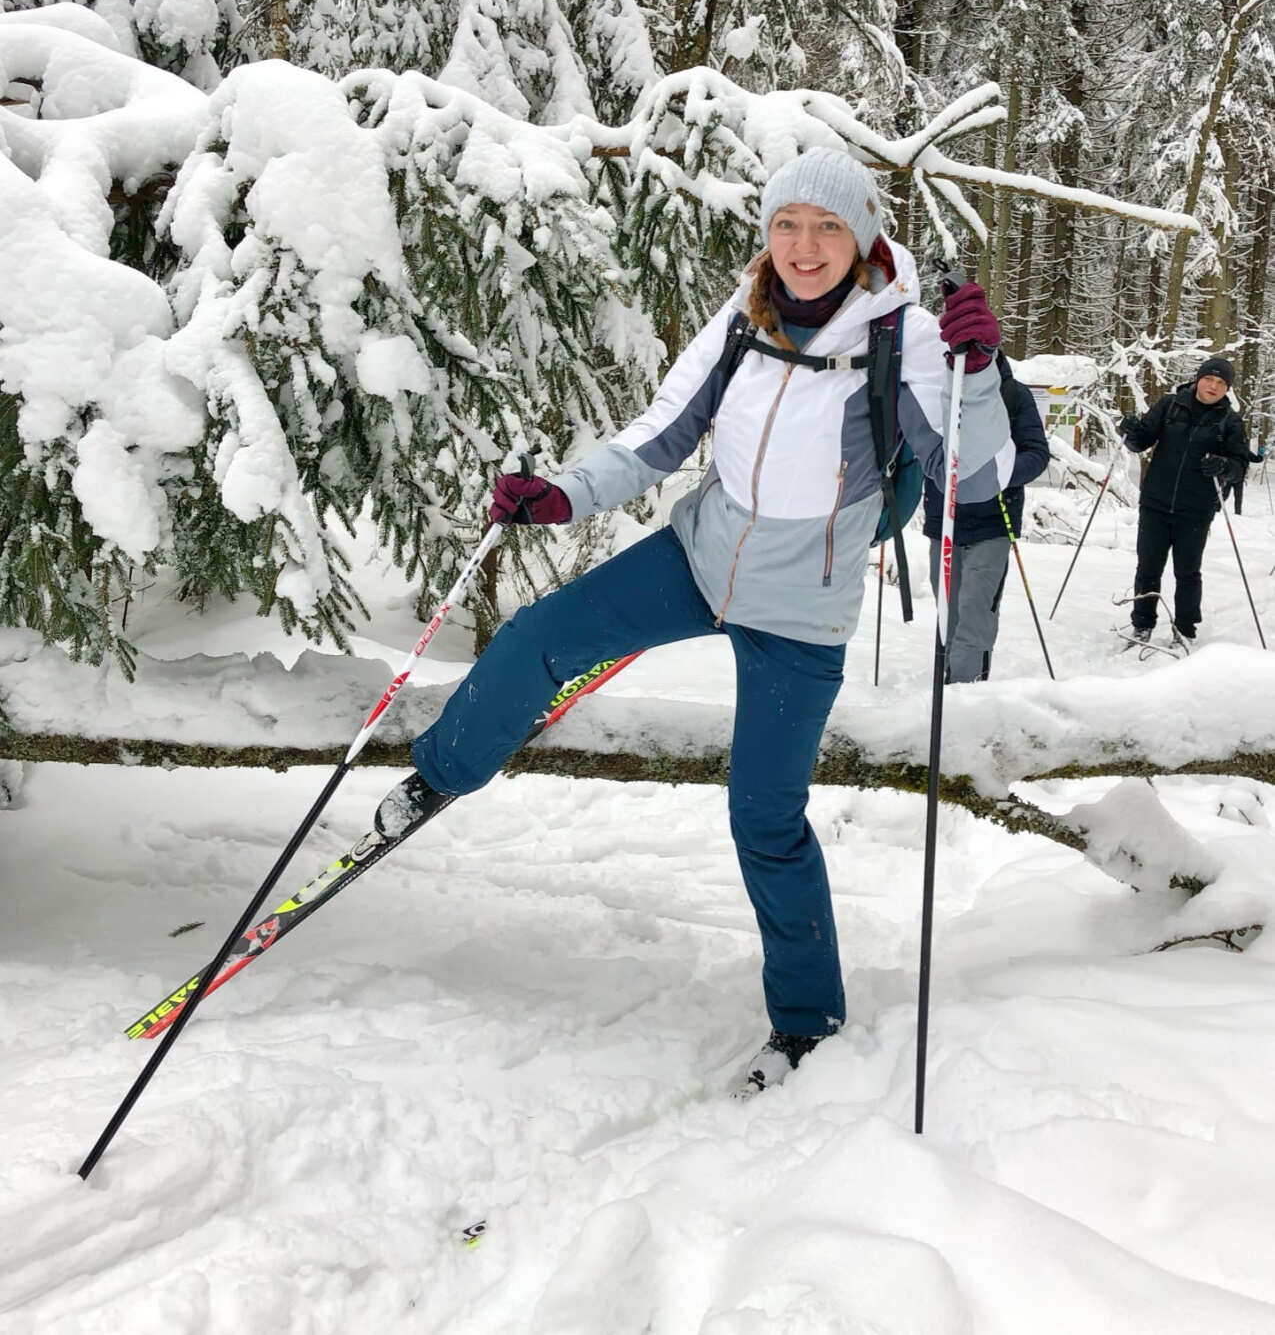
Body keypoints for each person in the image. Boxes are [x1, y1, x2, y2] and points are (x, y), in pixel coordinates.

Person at [375, 148, 1013, 1095]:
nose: (803, 246)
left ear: (863, 236)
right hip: (697, 559)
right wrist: (562, 494)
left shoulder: (909, 337)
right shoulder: (743, 317)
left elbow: (976, 476)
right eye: (786, 224)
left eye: (827, 227)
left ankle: (805, 1020)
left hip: (801, 610)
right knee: (534, 638)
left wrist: (977, 371)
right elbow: (658, 432)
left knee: (764, 814)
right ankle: (442, 775)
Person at [922, 352, 1049, 681]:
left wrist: (997, 477)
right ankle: (946, 685)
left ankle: (964, 690)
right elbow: (915, 446)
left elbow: (1036, 454)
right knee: (946, 612)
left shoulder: (1012, 394)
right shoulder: (936, 389)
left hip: (993, 520)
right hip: (943, 521)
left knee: (976, 609)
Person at [1120, 356, 1250, 642]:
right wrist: (1129, 430)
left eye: (1220, 383)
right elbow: (1140, 441)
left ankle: (1185, 629)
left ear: (1226, 388)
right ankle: (1142, 624)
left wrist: (1224, 466)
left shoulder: (1229, 421)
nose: (1213, 386)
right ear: (1198, 379)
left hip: (1196, 508)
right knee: (1148, 567)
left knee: (1187, 572)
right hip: (1156, 502)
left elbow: (1240, 467)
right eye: (1209, 379)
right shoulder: (1171, 405)